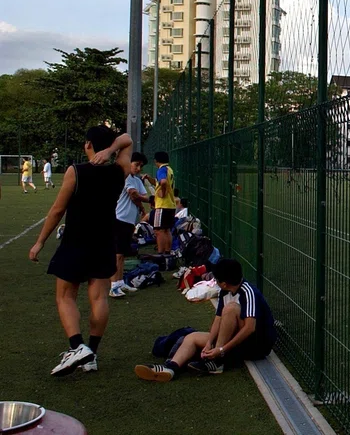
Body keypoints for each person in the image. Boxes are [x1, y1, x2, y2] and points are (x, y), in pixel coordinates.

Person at [28, 126, 133, 376]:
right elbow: (128, 139)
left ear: (87, 144)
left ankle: (77, 347)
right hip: (104, 242)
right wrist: (111, 150)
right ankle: (91, 355)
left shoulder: (75, 171)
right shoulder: (119, 171)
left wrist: (40, 242)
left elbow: (57, 210)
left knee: (65, 297)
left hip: (76, 241)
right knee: (99, 299)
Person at [135, 259, 276, 381]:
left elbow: (250, 328)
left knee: (231, 309)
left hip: (256, 345)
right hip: (235, 342)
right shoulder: (224, 292)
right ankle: (171, 367)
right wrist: (209, 343)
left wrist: (221, 349)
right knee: (191, 337)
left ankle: (218, 361)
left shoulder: (248, 292)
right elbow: (218, 319)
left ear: (224, 283)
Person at [110, 152, 150, 300]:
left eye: (141, 166)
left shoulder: (137, 180)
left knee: (122, 253)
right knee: (117, 253)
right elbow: (134, 195)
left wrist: (142, 207)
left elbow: (139, 196)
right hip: (119, 219)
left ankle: (120, 282)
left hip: (129, 221)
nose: (138, 168)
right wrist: (150, 200)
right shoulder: (126, 177)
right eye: (136, 164)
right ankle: (113, 286)